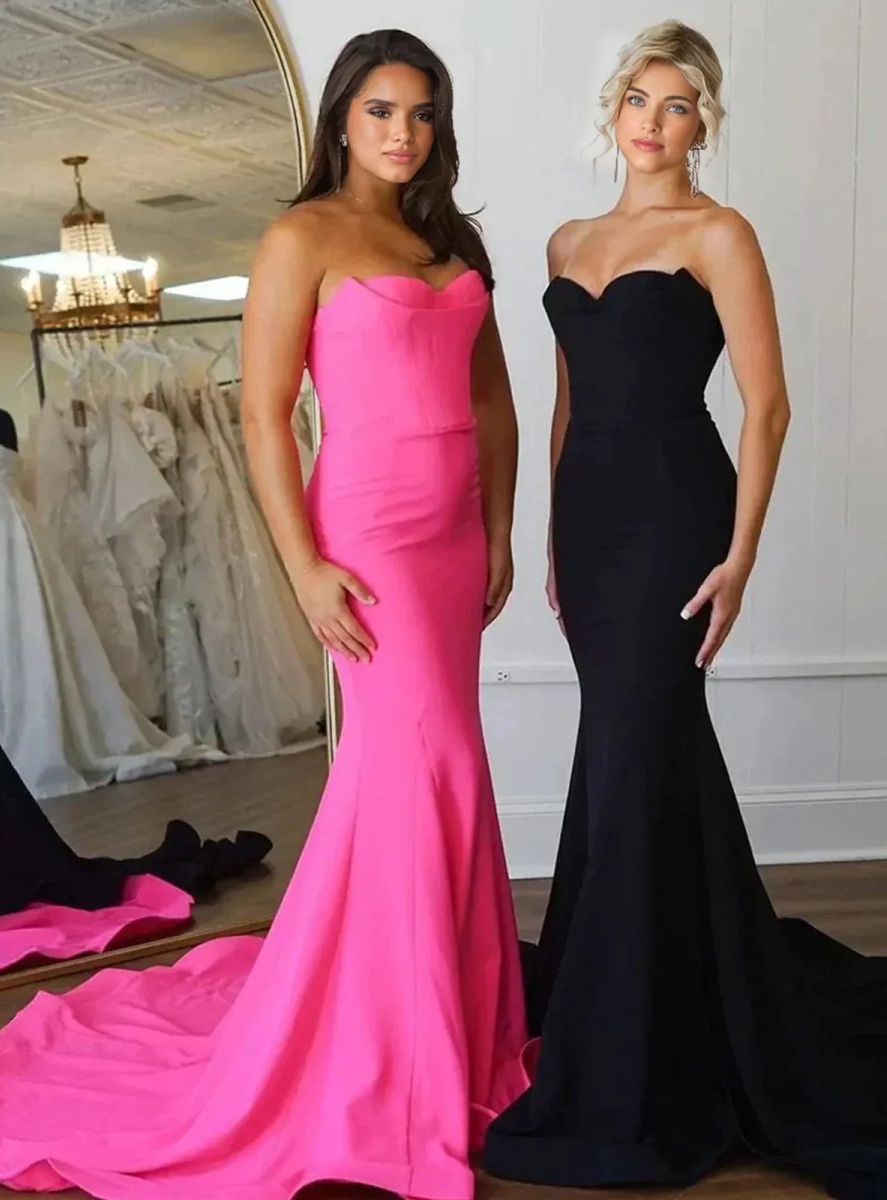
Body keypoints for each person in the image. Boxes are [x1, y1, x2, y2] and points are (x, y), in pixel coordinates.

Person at [0, 29, 528, 1200]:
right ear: (342, 120)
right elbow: (264, 414)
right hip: (372, 531)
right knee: (416, 762)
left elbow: (493, 399)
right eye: (380, 111)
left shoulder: (451, 239)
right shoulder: (301, 237)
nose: (402, 132)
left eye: (421, 113)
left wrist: (499, 528)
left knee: (444, 768)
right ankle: (397, 1052)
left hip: (452, 534)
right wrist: (305, 566)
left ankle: (455, 1022)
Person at [483, 19, 887, 1200]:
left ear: (704, 120)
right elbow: (565, 406)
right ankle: (679, 973)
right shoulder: (567, 241)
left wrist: (742, 556)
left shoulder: (719, 233)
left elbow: (768, 407)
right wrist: (549, 535)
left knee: (638, 744)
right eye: (640, 99)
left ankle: (637, 1023)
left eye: (678, 104)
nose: (655, 121)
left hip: (676, 511)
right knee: (634, 753)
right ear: (614, 110)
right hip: (592, 522)